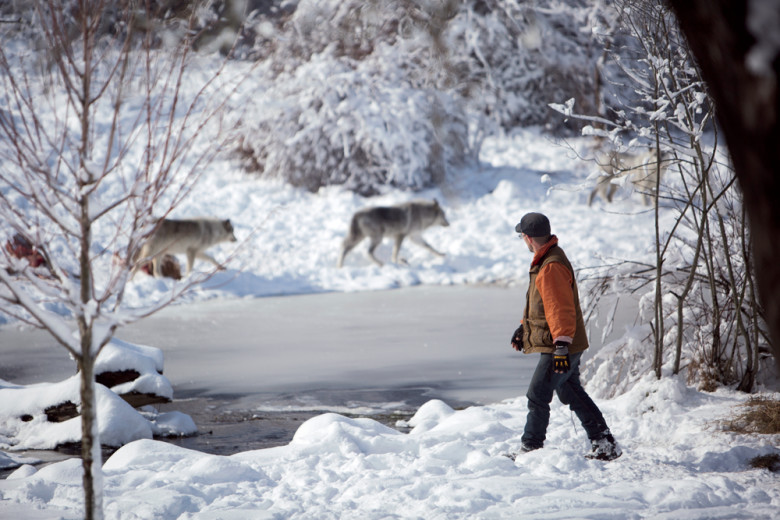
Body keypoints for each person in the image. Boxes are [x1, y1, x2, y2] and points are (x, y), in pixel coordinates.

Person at [509, 212, 621, 461]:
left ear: (528, 238)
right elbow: (542, 305)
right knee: (570, 391)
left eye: (522, 237)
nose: (523, 241)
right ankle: (604, 443)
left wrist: (561, 347)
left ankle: (531, 448)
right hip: (565, 342)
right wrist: (523, 329)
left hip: (560, 346)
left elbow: (560, 309)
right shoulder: (547, 259)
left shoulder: (550, 266)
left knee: (537, 395)